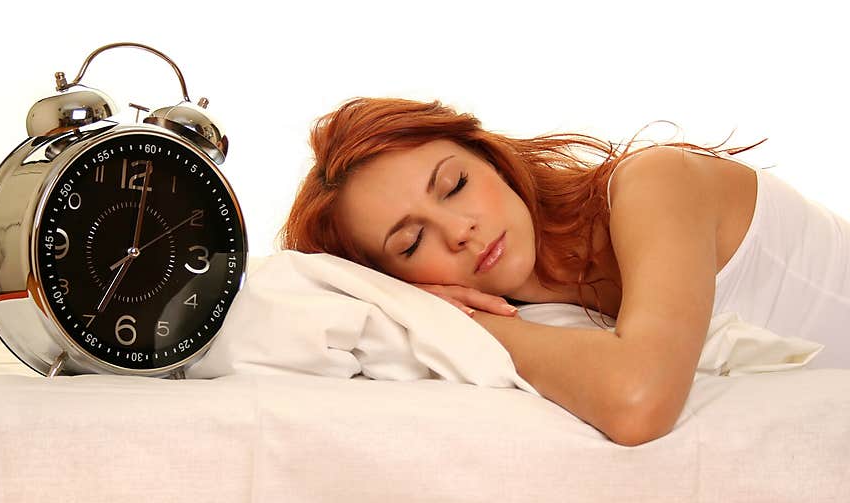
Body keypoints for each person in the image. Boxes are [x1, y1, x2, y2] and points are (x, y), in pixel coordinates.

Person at [277, 96, 850, 446]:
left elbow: (637, 402)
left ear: (491, 160)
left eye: (454, 185)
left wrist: (459, 320)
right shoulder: (548, 322)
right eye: (411, 242)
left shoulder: (654, 182)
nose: (459, 231)